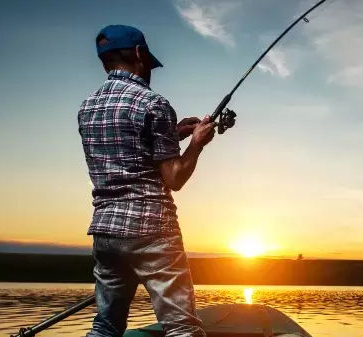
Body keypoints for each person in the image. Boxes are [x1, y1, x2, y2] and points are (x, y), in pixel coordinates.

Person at [78, 25, 214, 337]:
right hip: (152, 229)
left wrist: (171, 133)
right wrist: (196, 143)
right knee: (182, 328)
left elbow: (125, 150)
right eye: (148, 63)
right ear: (139, 54)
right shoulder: (153, 103)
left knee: (105, 327)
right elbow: (174, 178)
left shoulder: (87, 107)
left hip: (106, 231)